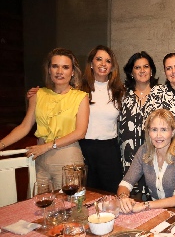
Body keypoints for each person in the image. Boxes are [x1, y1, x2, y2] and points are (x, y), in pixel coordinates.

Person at [0, 48, 89, 189]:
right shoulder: (38, 94)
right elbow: (24, 127)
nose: (59, 71)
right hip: (40, 158)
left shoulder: (81, 97)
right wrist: (1, 144)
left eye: (65, 67)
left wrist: (46, 146)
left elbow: (80, 132)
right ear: (49, 70)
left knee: (68, 206)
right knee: (39, 206)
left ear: (72, 72)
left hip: (67, 157)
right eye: (55, 66)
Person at [117, 109, 175, 212]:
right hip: (154, 209)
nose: (158, 135)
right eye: (154, 129)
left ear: (172, 132)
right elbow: (125, 184)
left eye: (164, 129)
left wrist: (145, 205)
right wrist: (123, 198)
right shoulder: (144, 151)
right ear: (148, 132)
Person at [79, 45, 125, 193]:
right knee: (86, 195)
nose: (103, 64)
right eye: (99, 59)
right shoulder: (78, 89)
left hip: (109, 150)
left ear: (112, 67)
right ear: (91, 64)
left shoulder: (119, 91)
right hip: (84, 148)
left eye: (108, 61)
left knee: (112, 195)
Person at [119, 51, 159, 200]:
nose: (142, 70)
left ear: (151, 70)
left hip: (153, 155)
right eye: (137, 67)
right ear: (131, 72)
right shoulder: (121, 93)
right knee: (130, 199)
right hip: (128, 157)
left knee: (152, 199)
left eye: (146, 66)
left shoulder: (161, 93)